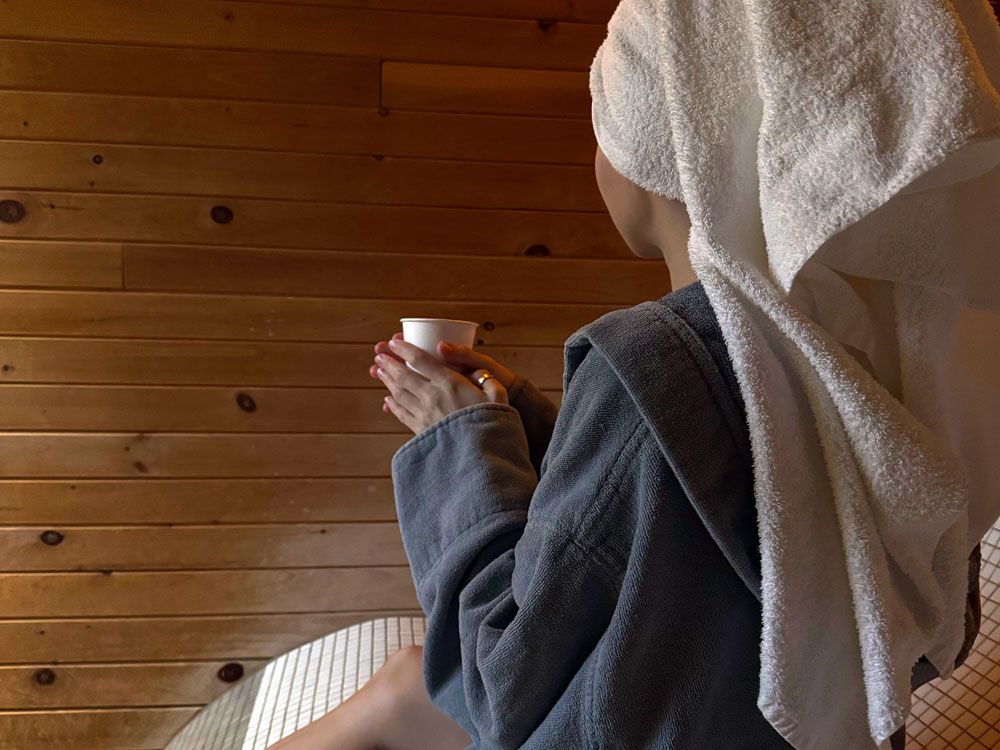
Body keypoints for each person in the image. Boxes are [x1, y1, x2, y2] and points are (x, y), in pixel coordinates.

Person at [269, 0, 1000, 746]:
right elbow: (678, 537)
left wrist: (455, 444)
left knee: (404, 688)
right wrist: (511, 420)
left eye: (602, 121)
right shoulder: (893, 379)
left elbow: (501, 683)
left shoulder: (658, 355)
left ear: (667, 133)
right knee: (400, 682)